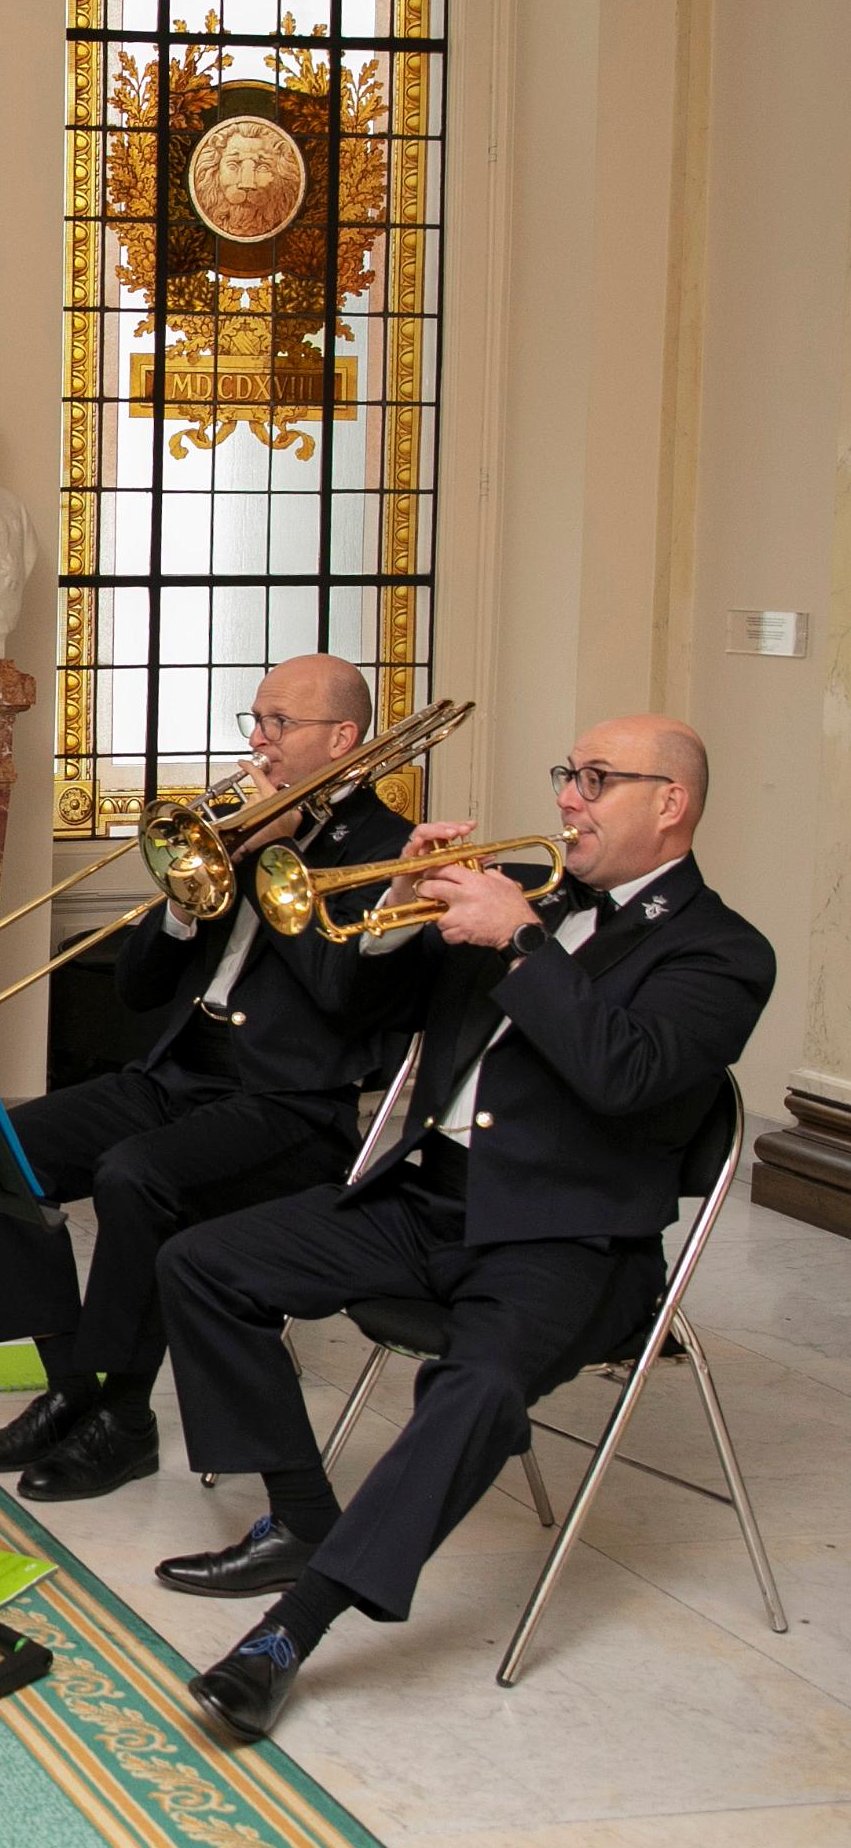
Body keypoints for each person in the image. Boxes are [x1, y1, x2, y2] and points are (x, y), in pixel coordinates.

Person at [152, 716, 772, 1742]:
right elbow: (358, 1003)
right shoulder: (522, 889)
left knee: (474, 1386)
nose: (569, 797)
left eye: (599, 780)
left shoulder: (721, 950)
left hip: (568, 1240)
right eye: (568, 773)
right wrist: (394, 908)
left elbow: (629, 1078)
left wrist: (524, 946)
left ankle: (291, 1633)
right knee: (203, 1263)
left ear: (672, 804)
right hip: (428, 1198)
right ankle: (305, 1518)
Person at [0, 654, 413, 1504]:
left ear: (343, 738)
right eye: (256, 720)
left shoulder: (385, 851)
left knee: (134, 1175)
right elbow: (138, 989)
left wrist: (275, 865)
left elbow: (345, 995)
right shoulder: (241, 823)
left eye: (280, 723)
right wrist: (183, 898)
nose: (259, 740)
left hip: (291, 1103)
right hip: (181, 1070)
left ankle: (124, 1418)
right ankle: (72, 1388)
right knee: (0, 1146)